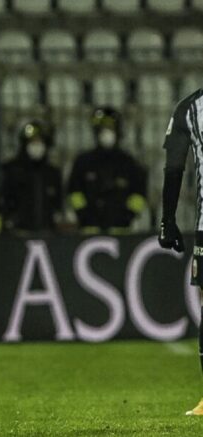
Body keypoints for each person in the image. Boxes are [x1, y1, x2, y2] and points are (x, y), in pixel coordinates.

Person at [157, 88, 203, 416]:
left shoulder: (190, 107)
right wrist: (167, 219)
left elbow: (174, 168)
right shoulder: (188, 108)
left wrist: (167, 219)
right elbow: (174, 166)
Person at [67, 107, 148, 234]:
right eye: (102, 129)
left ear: (118, 131)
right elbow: (74, 191)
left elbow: (139, 193)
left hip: (120, 231)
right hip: (90, 230)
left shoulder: (129, 163)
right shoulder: (83, 162)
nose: (106, 133)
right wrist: (84, 215)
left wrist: (128, 215)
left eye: (110, 129)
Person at [0, 119, 62, 233]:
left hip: (46, 232)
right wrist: (10, 220)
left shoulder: (52, 172)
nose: (37, 145)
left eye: (40, 141)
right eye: (32, 142)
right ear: (24, 144)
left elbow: (58, 203)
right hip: (18, 232)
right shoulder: (11, 169)